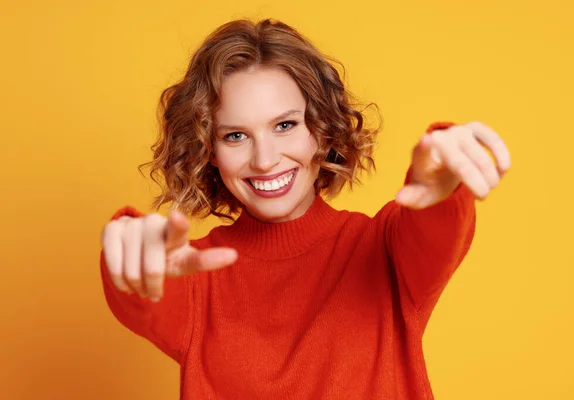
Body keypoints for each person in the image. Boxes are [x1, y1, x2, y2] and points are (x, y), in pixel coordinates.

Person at [100, 18, 511, 400]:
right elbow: (141, 285)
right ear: (209, 150)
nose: (264, 159)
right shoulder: (195, 279)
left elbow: (434, 226)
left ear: (321, 129)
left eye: (285, 125)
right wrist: (132, 249)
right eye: (236, 135)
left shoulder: (384, 251)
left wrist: (439, 182)